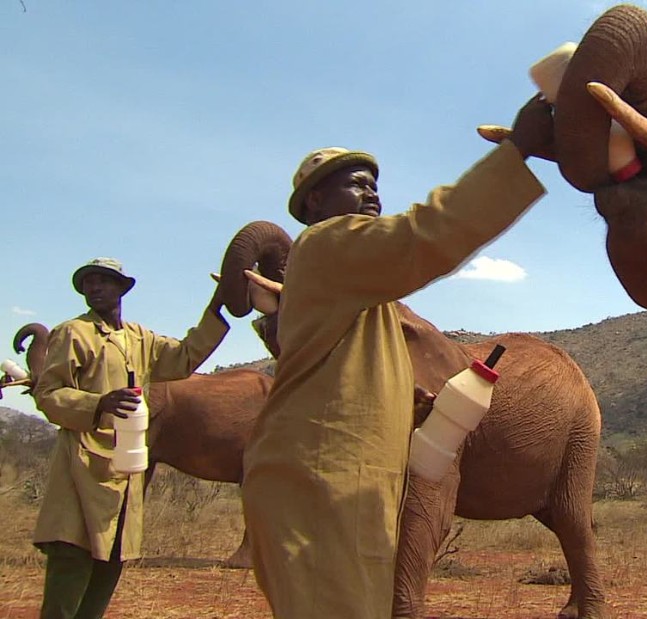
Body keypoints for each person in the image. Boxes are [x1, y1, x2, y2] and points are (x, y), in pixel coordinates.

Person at [241, 95, 555, 618]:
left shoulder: (362, 294)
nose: (372, 192)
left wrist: (402, 406)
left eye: (374, 184)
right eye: (355, 183)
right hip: (320, 487)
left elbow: (341, 377)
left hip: (347, 489)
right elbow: (423, 238)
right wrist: (516, 153)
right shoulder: (325, 244)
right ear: (314, 203)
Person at [32, 257, 230, 619]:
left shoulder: (142, 339)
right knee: (71, 565)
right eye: (88, 283)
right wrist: (98, 403)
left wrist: (218, 303)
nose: (95, 288)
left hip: (125, 469)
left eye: (104, 281)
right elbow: (48, 394)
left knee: (109, 567)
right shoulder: (72, 333)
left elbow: (186, 357)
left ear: (122, 288)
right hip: (82, 467)